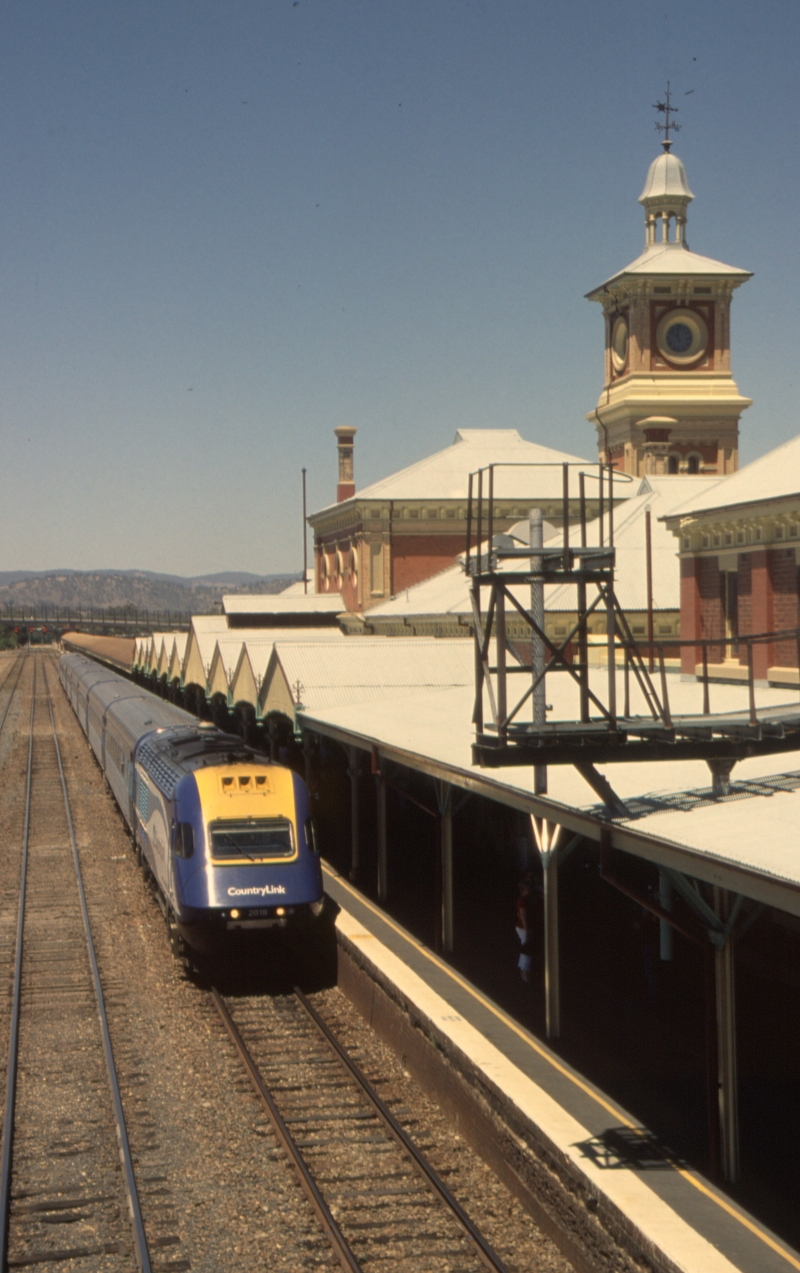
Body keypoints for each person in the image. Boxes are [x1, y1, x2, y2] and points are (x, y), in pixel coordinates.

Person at [516, 875, 534, 983]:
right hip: (523, 928)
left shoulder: (524, 900)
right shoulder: (523, 902)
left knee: (526, 949)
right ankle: (524, 971)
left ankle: (524, 970)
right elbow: (523, 916)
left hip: (524, 927)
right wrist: (527, 930)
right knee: (527, 950)